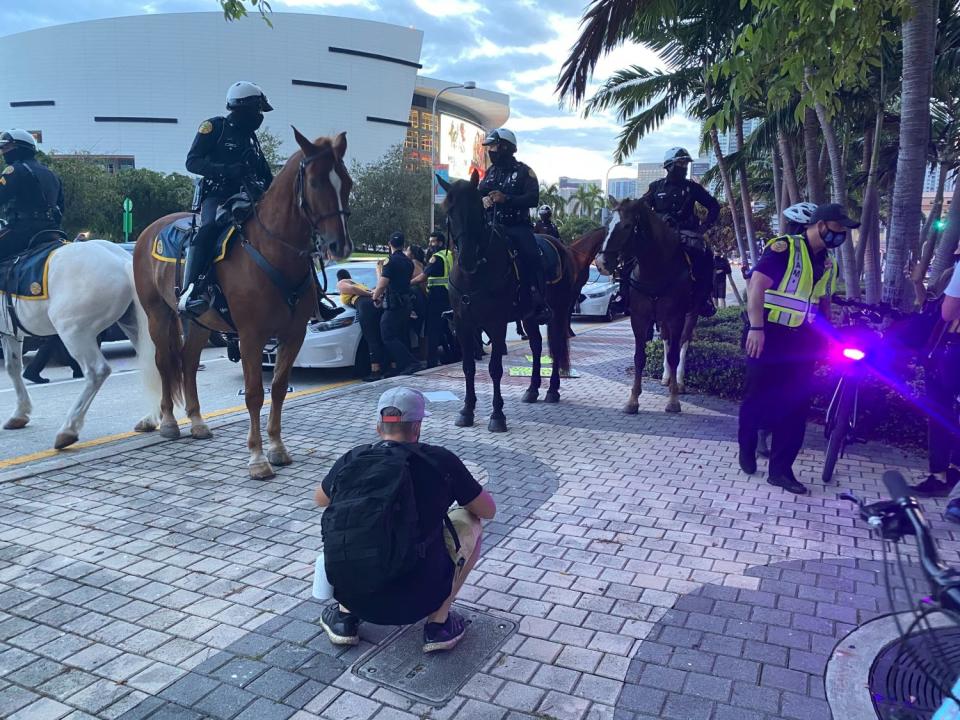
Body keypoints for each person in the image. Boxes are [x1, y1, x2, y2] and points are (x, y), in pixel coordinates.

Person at [315, 387, 496, 651]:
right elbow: (487, 510)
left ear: (379, 427)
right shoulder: (440, 461)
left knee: (346, 519)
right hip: (419, 600)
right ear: (418, 427)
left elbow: (320, 500)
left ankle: (344, 618)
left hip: (356, 597)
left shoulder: (353, 458)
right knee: (472, 520)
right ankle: (438, 625)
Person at [737, 203, 858, 495]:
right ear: (820, 225)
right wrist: (756, 328)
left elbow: (822, 304)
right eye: (838, 228)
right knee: (756, 397)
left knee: (796, 406)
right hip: (768, 335)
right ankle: (747, 443)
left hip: (803, 343)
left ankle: (780, 471)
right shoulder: (784, 248)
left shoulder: (830, 264)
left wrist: (829, 338)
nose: (841, 235)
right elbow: (757, 287)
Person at [179, 81, 275, 316]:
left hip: (249, 196)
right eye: (257, 110)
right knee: (209, 228)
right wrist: (227, 169)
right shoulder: (215, 128)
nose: (260, 116)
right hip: (218, 196)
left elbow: (266, 174)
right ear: (242, 108)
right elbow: (192, 161)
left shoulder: (252, 139)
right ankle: (192, 290)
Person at [478, 128, 551, 325]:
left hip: (516, 227)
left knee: (532, 254)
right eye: (490, 147)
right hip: (492, 225)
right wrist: (483, 199)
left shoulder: (524, 172)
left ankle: (538, 299)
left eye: (493, 146)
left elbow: (533, 198)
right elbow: (479, 192)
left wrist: (506, 198)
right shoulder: (491, 173)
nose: (490, 151)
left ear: (505, 147)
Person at [641, 147, 720, 317]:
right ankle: (624, 295)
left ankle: (704, 298)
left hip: (686, 234)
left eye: (685, 163)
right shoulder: (655, 187)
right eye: (680, 163)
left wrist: (704, 227)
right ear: (669, 166)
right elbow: (643, 208)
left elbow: (714, 206)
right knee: (632, 256)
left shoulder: (693, 188)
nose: (684, 167)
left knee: (706, 257)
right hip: (659, 236)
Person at [0, 129, 64, 262]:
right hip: (53, 231)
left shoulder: (15, 170)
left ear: (19, 148)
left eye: (6, 147)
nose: (3, 152)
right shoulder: (51, 174)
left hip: (23, 231)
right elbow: (61, 207)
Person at [372, 232, 424, 375]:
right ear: (403, 245)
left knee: (387, 334)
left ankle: (411, 363)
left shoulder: (390, 261)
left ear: (390, 244)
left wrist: (375, 297)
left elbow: (382, 284)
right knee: (400, 335)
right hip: (406, 303)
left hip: (394, 304)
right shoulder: (408, 262)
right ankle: (401, 366)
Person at [413, 231, 457, 368]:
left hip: (436, 297)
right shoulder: (449, 254)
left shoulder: (436, 257)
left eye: (433, 241)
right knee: (446, 327)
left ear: (440, 243)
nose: (430, 244)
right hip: (448, 295)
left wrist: (408, 282)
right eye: (430, 241)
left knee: (433, 329)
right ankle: (454, 354)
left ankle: (432, 361)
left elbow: (423, 277)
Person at [337, 269, 386, 382]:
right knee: (379, 337)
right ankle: (386, 366)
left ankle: (375, 371)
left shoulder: (342, 283)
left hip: (364, 306)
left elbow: (353, 290)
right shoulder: (360, 284)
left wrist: (369, 294)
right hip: (373, 305)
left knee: (371, 338)